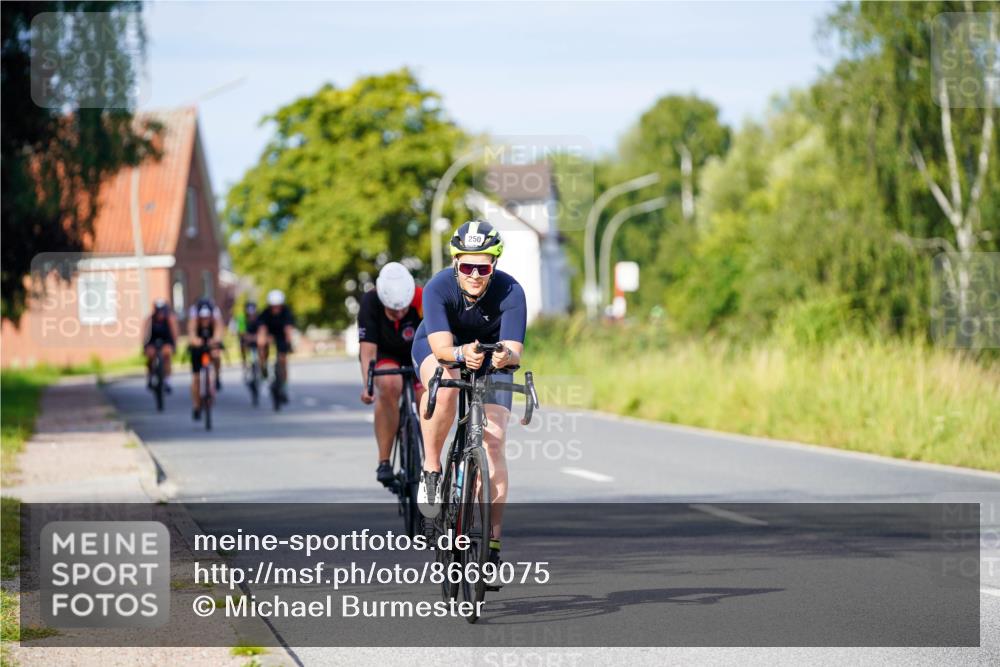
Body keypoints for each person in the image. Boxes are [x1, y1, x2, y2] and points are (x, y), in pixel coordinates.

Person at [412, 220, 526, 569]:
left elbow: (515, 351)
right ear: (455, 264)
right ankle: (432, 469)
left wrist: (505, 356)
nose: (475, 274)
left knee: (494, 440)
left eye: (483, 266)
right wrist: (461, 355)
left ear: (494, 266)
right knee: (444, 382)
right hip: (442, 350)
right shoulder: (438, 288)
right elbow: (442, 348)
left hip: (491, 359)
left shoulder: (511, 291)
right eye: (467, 266)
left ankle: (491, 543)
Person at [357, 262, 424, 486]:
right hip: (387, 354)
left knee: (428, 395)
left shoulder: (422, 298)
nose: (398, 314)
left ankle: (430, 457)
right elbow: (367, 350)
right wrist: (367, 386)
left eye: (403, 309)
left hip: (417, 352)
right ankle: (384, 460)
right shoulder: (370, 301)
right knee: (388, 383)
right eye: (393, 310)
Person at [187, 297, 224, 420]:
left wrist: (216, 340)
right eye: (202, 318)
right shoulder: (194, 316)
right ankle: (196, 406)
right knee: (196, 379)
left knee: (216, 354)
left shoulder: (215, 315)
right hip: (198, 347)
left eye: (207, 317)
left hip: (210, 344)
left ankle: (217, 377)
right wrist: (194, 341)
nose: (205, 320)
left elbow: (219, 330)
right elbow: (191, 333)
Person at [257, 289, 295, 403]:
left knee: (283, 360)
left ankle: (284, 386)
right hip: (269, 334)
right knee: (263, 348)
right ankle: (263, 369)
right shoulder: (265, 313)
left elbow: (288, 329)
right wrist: (262, 342)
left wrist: (289, 344)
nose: (276, 309)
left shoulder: (286, 312)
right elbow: (262, 329)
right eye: (273, 306)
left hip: (281, 336)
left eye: (278, 306)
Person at [142, 299, 179, 393]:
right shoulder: (150, 319)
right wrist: (144, 346)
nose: (160, 315)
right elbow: (145, 333)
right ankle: (150, 376)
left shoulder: (170, 319)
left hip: (166, 340)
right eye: (158, 312)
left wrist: (175, 346)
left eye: (162, 312)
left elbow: (174, 333)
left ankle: (167, 381)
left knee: (167, 355)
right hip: (153, 340)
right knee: (150, 355)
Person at [236, 300, 261, 372]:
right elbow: (241, 332)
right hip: (246, 338)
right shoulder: (242, 318)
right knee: (242, 345)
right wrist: (248, 337)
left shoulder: (259, 318)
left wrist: (256, 337)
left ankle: (263, 364)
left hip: (256, 337)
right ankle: (244, 363)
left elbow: (262, 329)